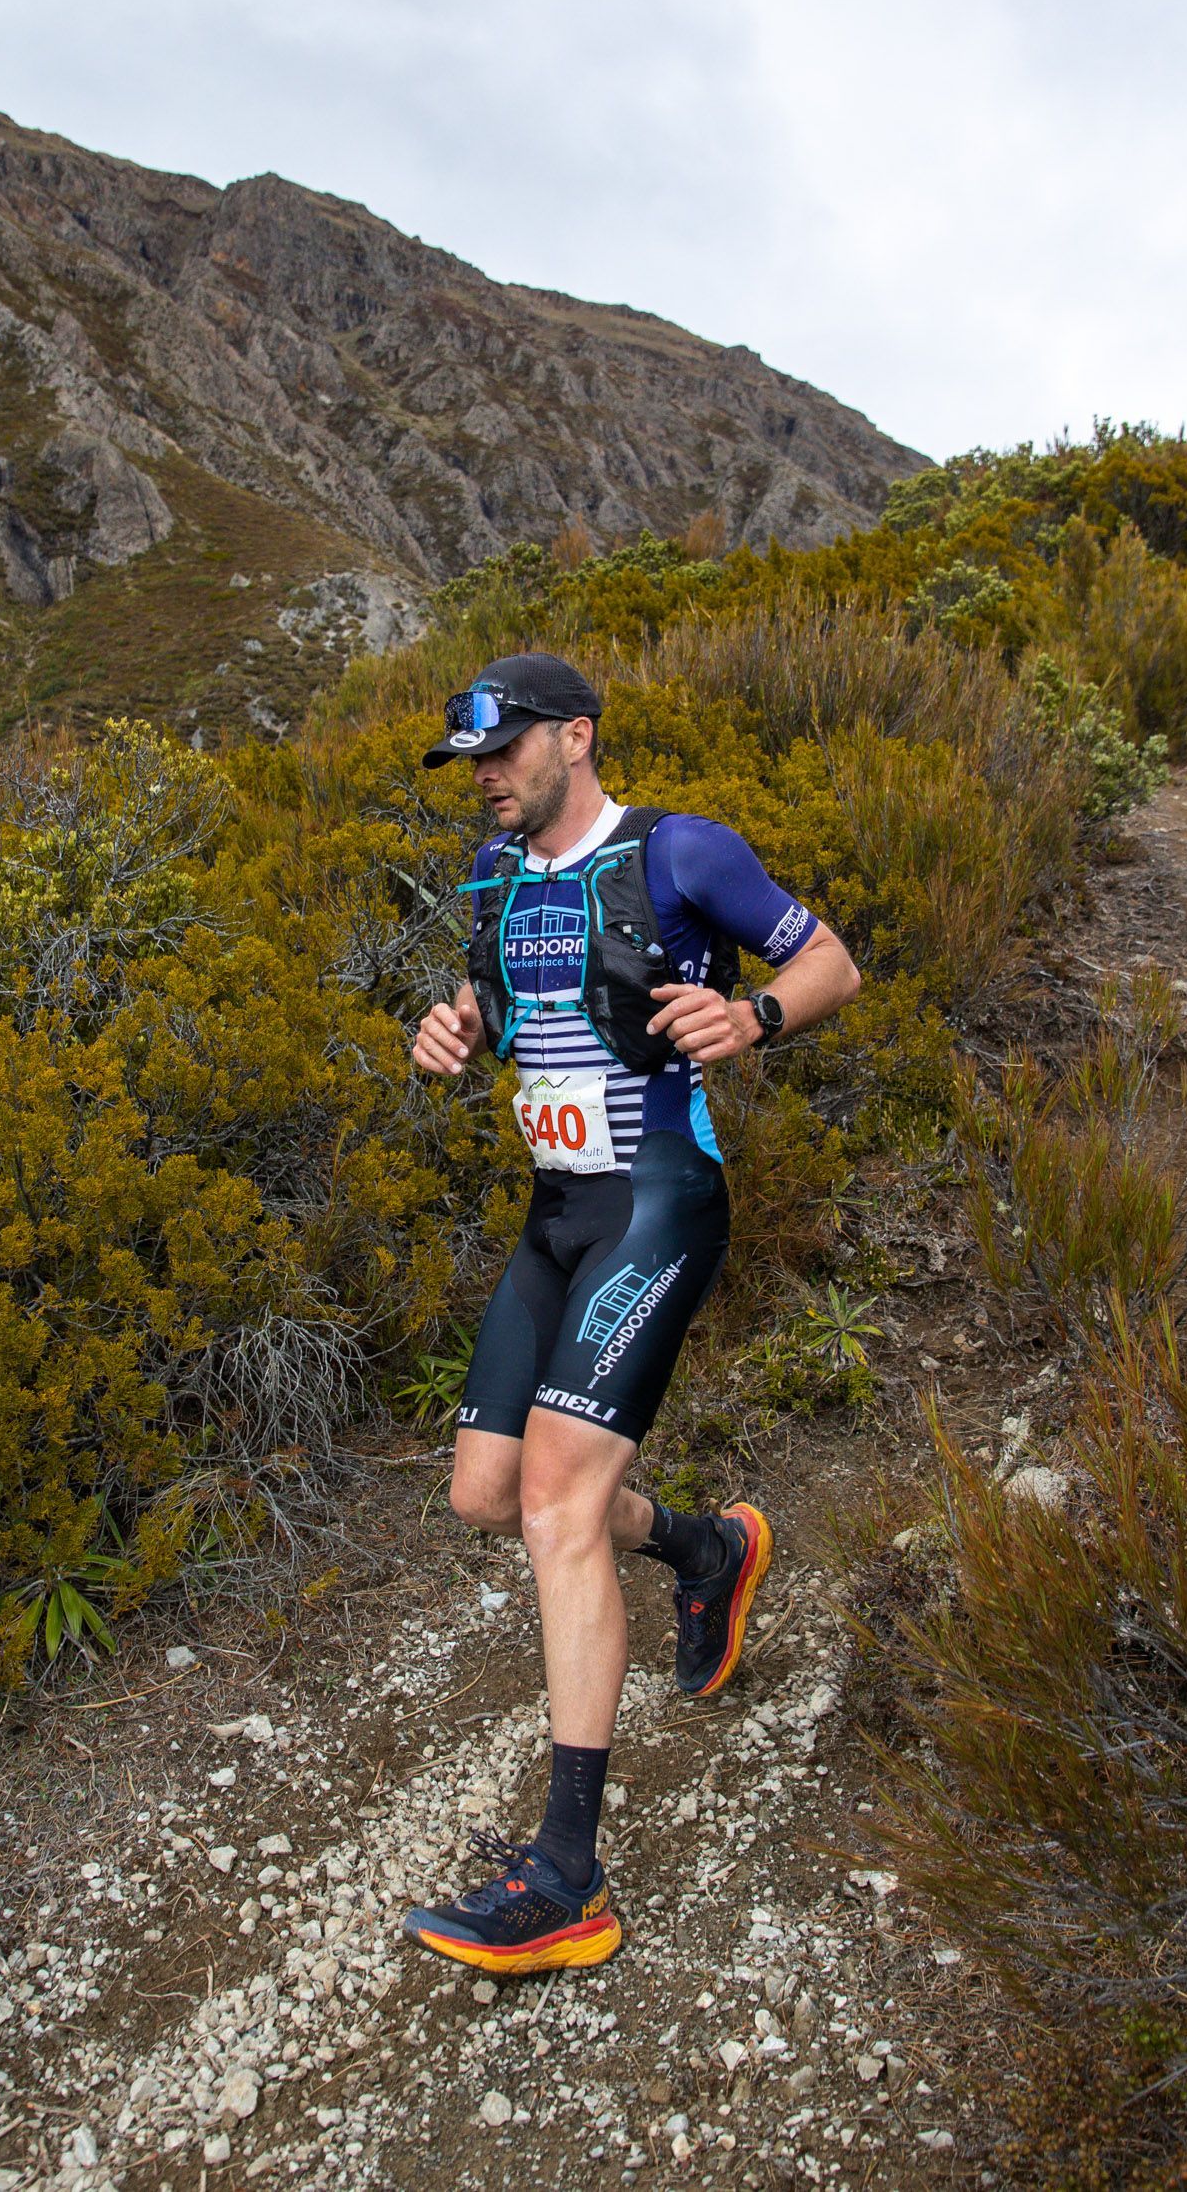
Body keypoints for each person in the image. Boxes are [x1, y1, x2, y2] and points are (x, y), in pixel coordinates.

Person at [401, 652, 861, 1974]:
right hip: (556, 1216)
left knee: (554, 1501)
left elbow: (832, 961)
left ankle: (566, 1879)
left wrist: (756, 1013)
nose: (485, 779)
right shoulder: (490, 880)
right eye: (469, 764)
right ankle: (708, 1552)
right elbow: (500, 1015)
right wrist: (448, 1032)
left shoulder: (681, 854)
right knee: (487, 1493)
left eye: (503, 754)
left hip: (661, 1197)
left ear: (576, 739)